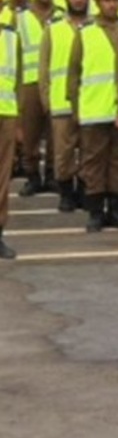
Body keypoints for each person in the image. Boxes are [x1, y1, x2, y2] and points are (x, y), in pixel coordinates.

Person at [67, 0, 118, 233]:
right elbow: (73, 72)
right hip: (93, 110)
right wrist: (75, 107)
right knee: (93, 163)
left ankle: (115, 209)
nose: (112, 4)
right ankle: (95, 212)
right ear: (98, 2)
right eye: (106, 0)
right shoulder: (85, 33)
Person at [39, 0, 91, 213]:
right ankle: (66, 193)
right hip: (61, 101)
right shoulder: (53, 29)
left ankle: (85, 190)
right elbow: (44, 67)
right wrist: (45, 99)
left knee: (89, 150)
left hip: (90, 101)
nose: (78, 0)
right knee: (63, 153)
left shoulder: (95, 27)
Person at [17, 0, 64, 196]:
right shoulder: (21, 18)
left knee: (55, 132)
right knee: (31, 132)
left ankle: (53, 175)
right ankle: (33, 176)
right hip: (29, 82)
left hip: (55, 81)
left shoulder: (61, 16)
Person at [0, 15, 20, 258]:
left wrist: (19, 121)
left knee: (2, 179)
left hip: (6, 113)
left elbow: (18, 80)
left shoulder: (11, 37)